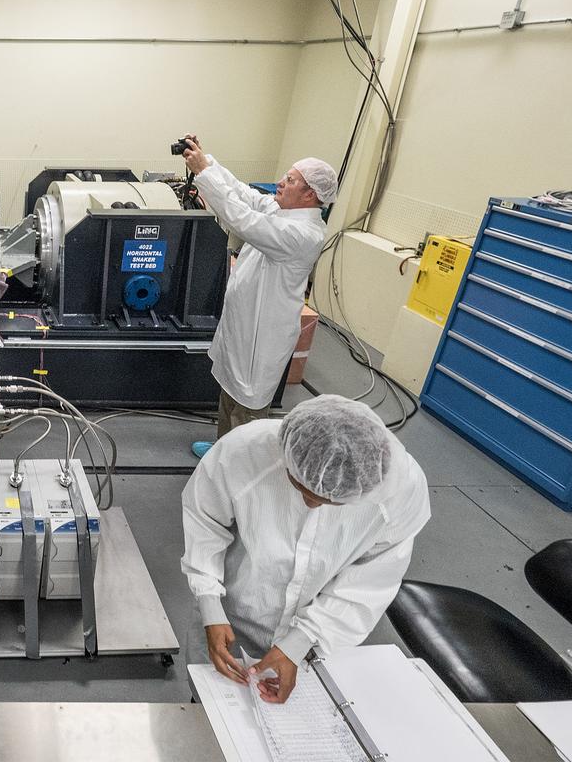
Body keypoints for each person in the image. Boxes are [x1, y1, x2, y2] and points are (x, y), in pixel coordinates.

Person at [180, 395, 430, 703]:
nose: (311, 502)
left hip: (318, 640)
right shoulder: (243, 452)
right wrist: (210, 607)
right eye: (298, 485)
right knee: (213, 710)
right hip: (233, 615)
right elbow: (204, 522)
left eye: (331, 501)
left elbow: (370, 582)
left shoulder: (398, 492)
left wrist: (298, 643)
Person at [179, 135, 337, 457]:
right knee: (229, 392)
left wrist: (203, 176)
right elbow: (244, 195)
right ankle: (224, 448)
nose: (280, 183)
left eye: (290, 180)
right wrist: (206, 162)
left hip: (261, 337)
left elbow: (243, 220)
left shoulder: (302, 234)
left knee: (247, 407)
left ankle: (239, 467)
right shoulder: (283, 212)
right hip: (244, 326)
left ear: (310, 194)